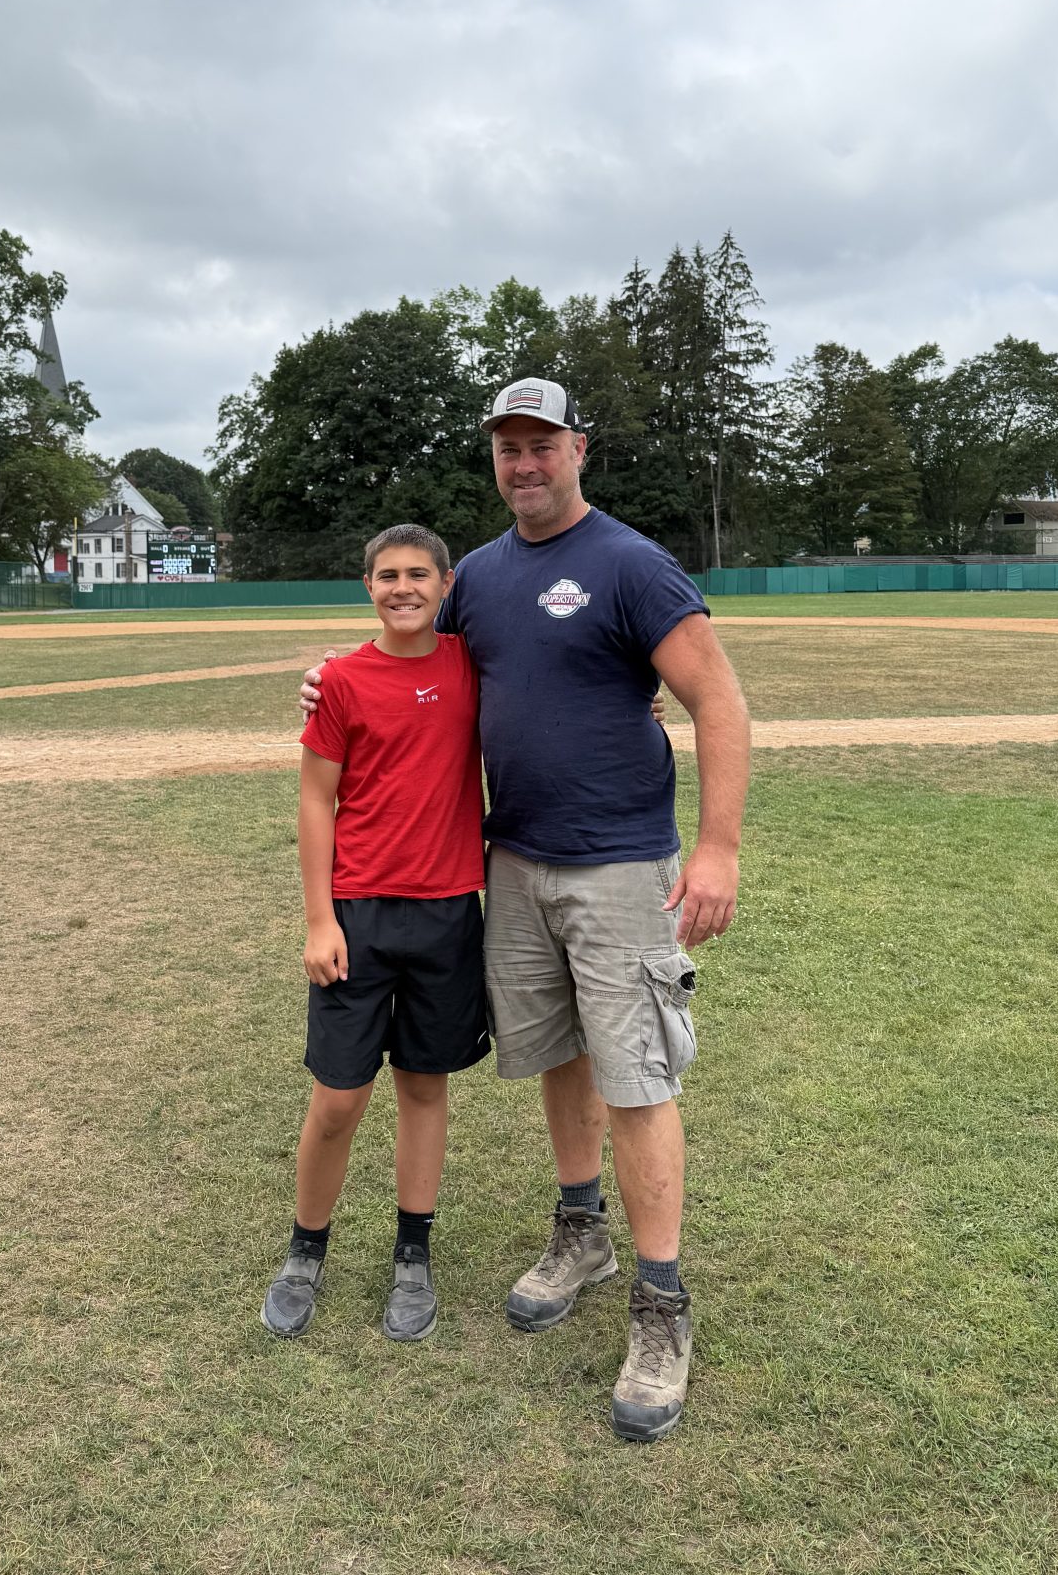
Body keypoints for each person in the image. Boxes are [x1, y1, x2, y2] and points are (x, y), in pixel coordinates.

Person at [302, 379, 751, 1441]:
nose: (524, 463)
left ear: (577, 450)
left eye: (541, 444)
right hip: (513, 865)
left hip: (619, 867)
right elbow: (413, 654)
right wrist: (325, 679)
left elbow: (718, 701)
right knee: (560, 1058)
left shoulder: (632, 564)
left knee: (635, 1074)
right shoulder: (482, 578)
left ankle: (660, 1305)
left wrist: (721, 849)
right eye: (508, 447)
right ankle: (579, 1232)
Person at [262, 524, 490, 1345]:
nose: (404, 588)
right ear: (368, 586)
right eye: (388, 575)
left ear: (447, 583)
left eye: (419, 574)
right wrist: (319, 919)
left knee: (425, 1088)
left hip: (449, 914)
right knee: (337, 1100)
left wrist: (634, 697)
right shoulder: (344, 682)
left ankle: (412, 1254)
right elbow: (315, 800)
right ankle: (304, 1251)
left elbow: (558, 688)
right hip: (357, 917)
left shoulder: (471, 665)